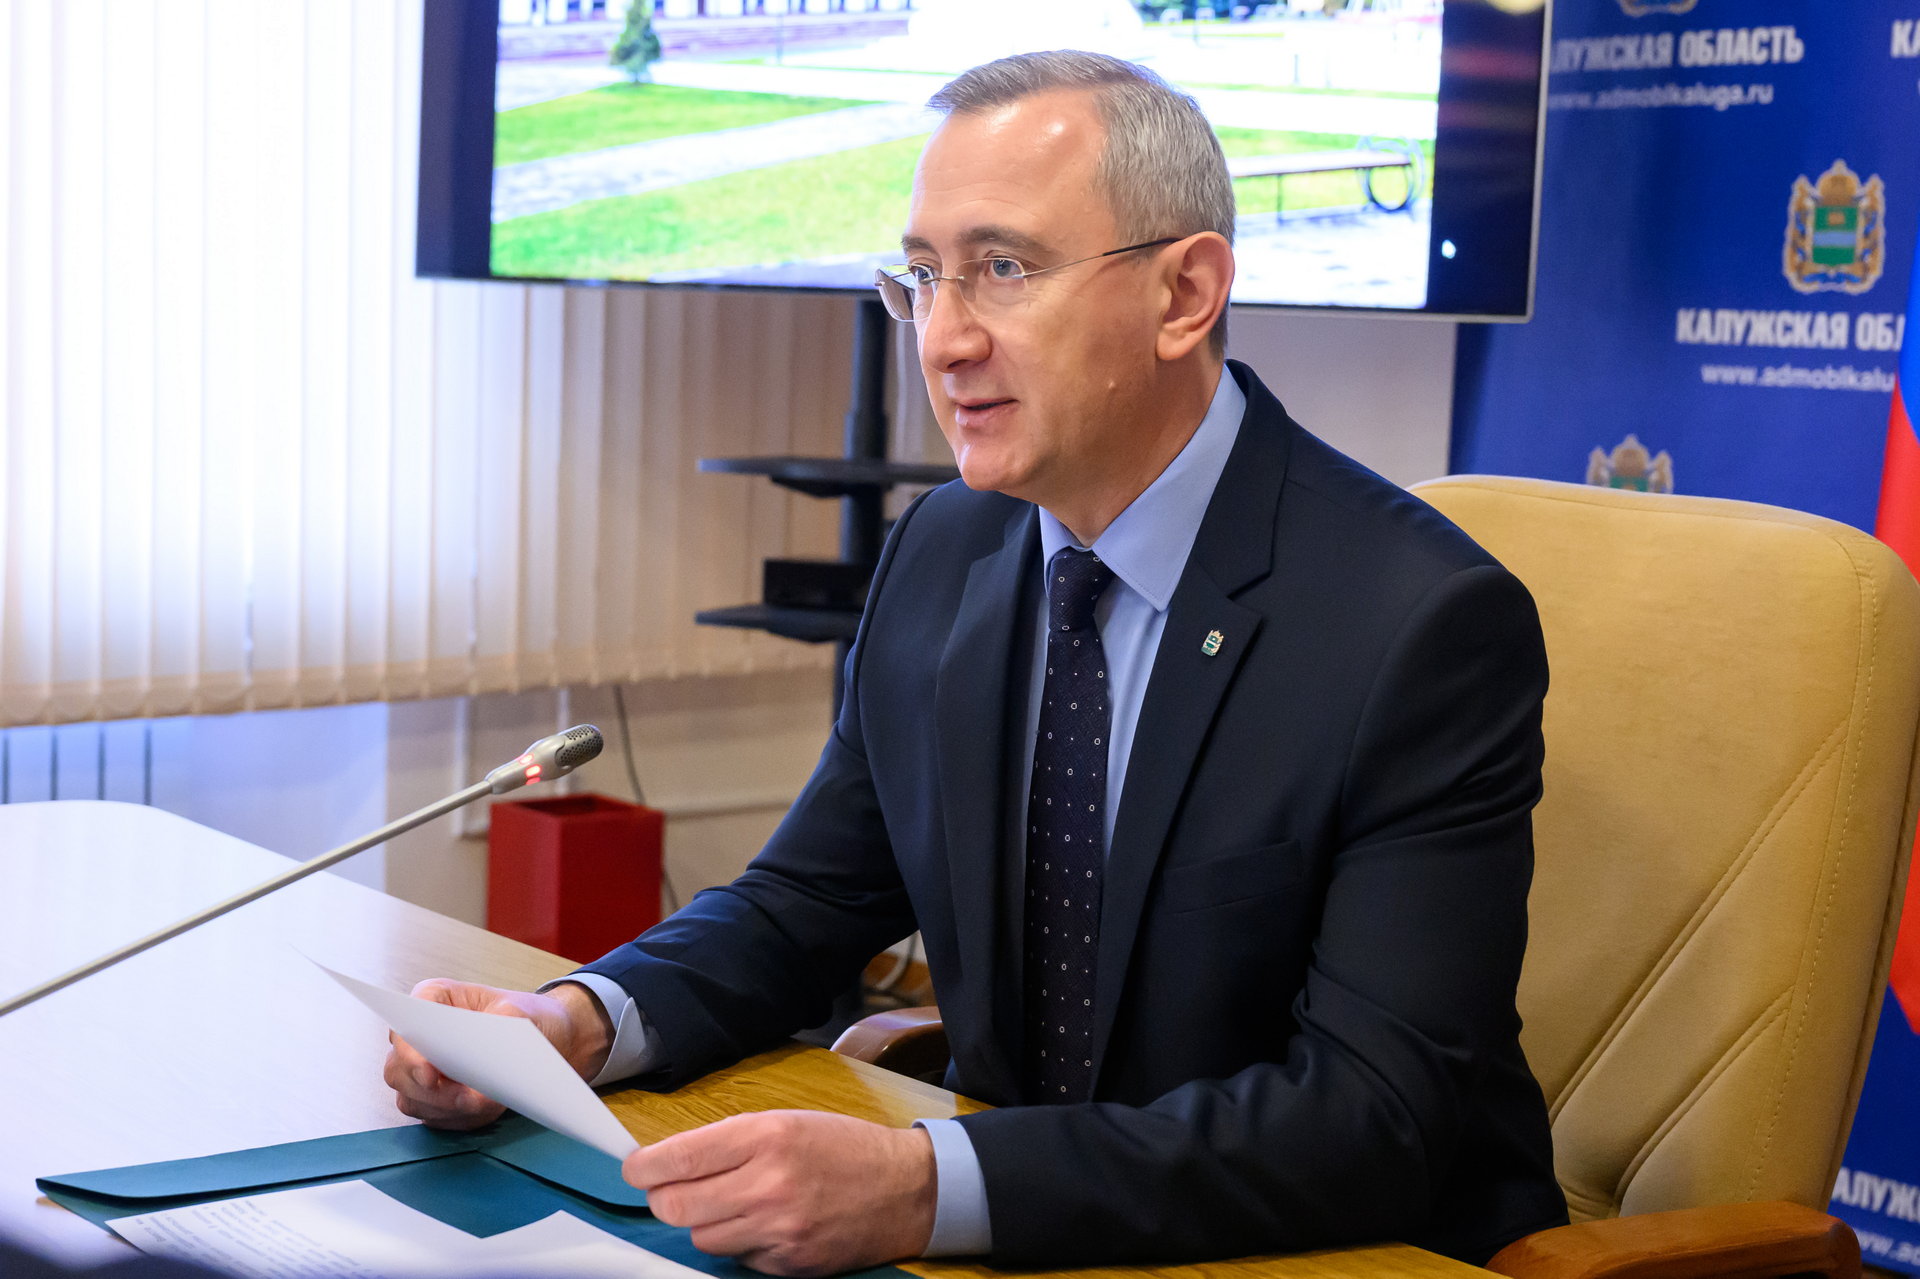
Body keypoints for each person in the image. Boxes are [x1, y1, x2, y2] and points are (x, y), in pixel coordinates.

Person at [386, 51, 1568, 1277]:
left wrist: (924, 1185)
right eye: (923, 275)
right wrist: (572, 1021)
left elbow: (1375, 1116)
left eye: (1003, 269)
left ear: (1185, 295)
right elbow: (807, 901)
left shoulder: (1417, 624)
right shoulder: (945, 548)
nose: (943, 339)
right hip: (1030, 1233)